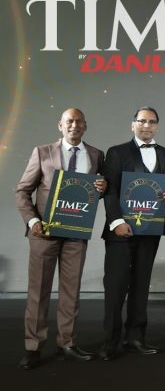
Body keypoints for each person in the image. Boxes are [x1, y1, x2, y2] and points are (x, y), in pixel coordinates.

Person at [15, 108, 106, 370]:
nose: (74, 125)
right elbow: (22, 191)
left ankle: (67, 343)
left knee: (71, 291)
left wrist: (104, 187)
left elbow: (96, 190)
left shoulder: (96, 155)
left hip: (76, 232)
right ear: (61, 125)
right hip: (44, 232)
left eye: (79, 122)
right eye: (69, 121)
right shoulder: (42, 152)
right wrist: (33, 221)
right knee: (38, 291)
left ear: (85, 126)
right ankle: (33, 347)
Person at [99, 106, 165, 361]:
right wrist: (116, 221)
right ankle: (110, 341)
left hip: (149, 230)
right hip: (120, 231)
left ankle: (136, 337)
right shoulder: (116, 152)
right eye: (142, 121)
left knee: (141, 284)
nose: (146, 126)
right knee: (116, 285)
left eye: (152, 122)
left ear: (157, 126)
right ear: (133, 125)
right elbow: (109, 190)